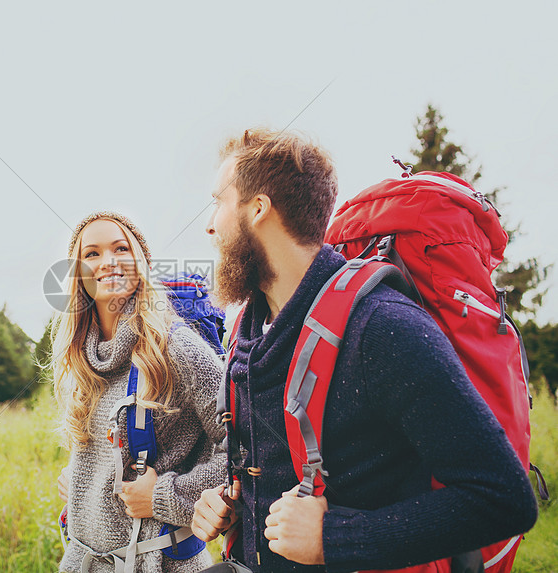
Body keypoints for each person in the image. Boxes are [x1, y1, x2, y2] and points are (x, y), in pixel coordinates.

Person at [190, 129, 538, 572]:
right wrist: (231, 503)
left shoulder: (380, 326)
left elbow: (503, 500)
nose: (209, 223)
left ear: (258, 209)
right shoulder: (248, 330)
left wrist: (334, 538)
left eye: (218, 201)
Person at [52, 211, 227, 573]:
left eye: (121, 248)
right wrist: (83, 480)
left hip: (160, 563)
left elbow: (246, 447)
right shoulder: (82, 358)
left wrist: (165, 495)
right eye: (92, 253)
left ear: (141, 262)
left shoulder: (176, 349)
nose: (109, 262)